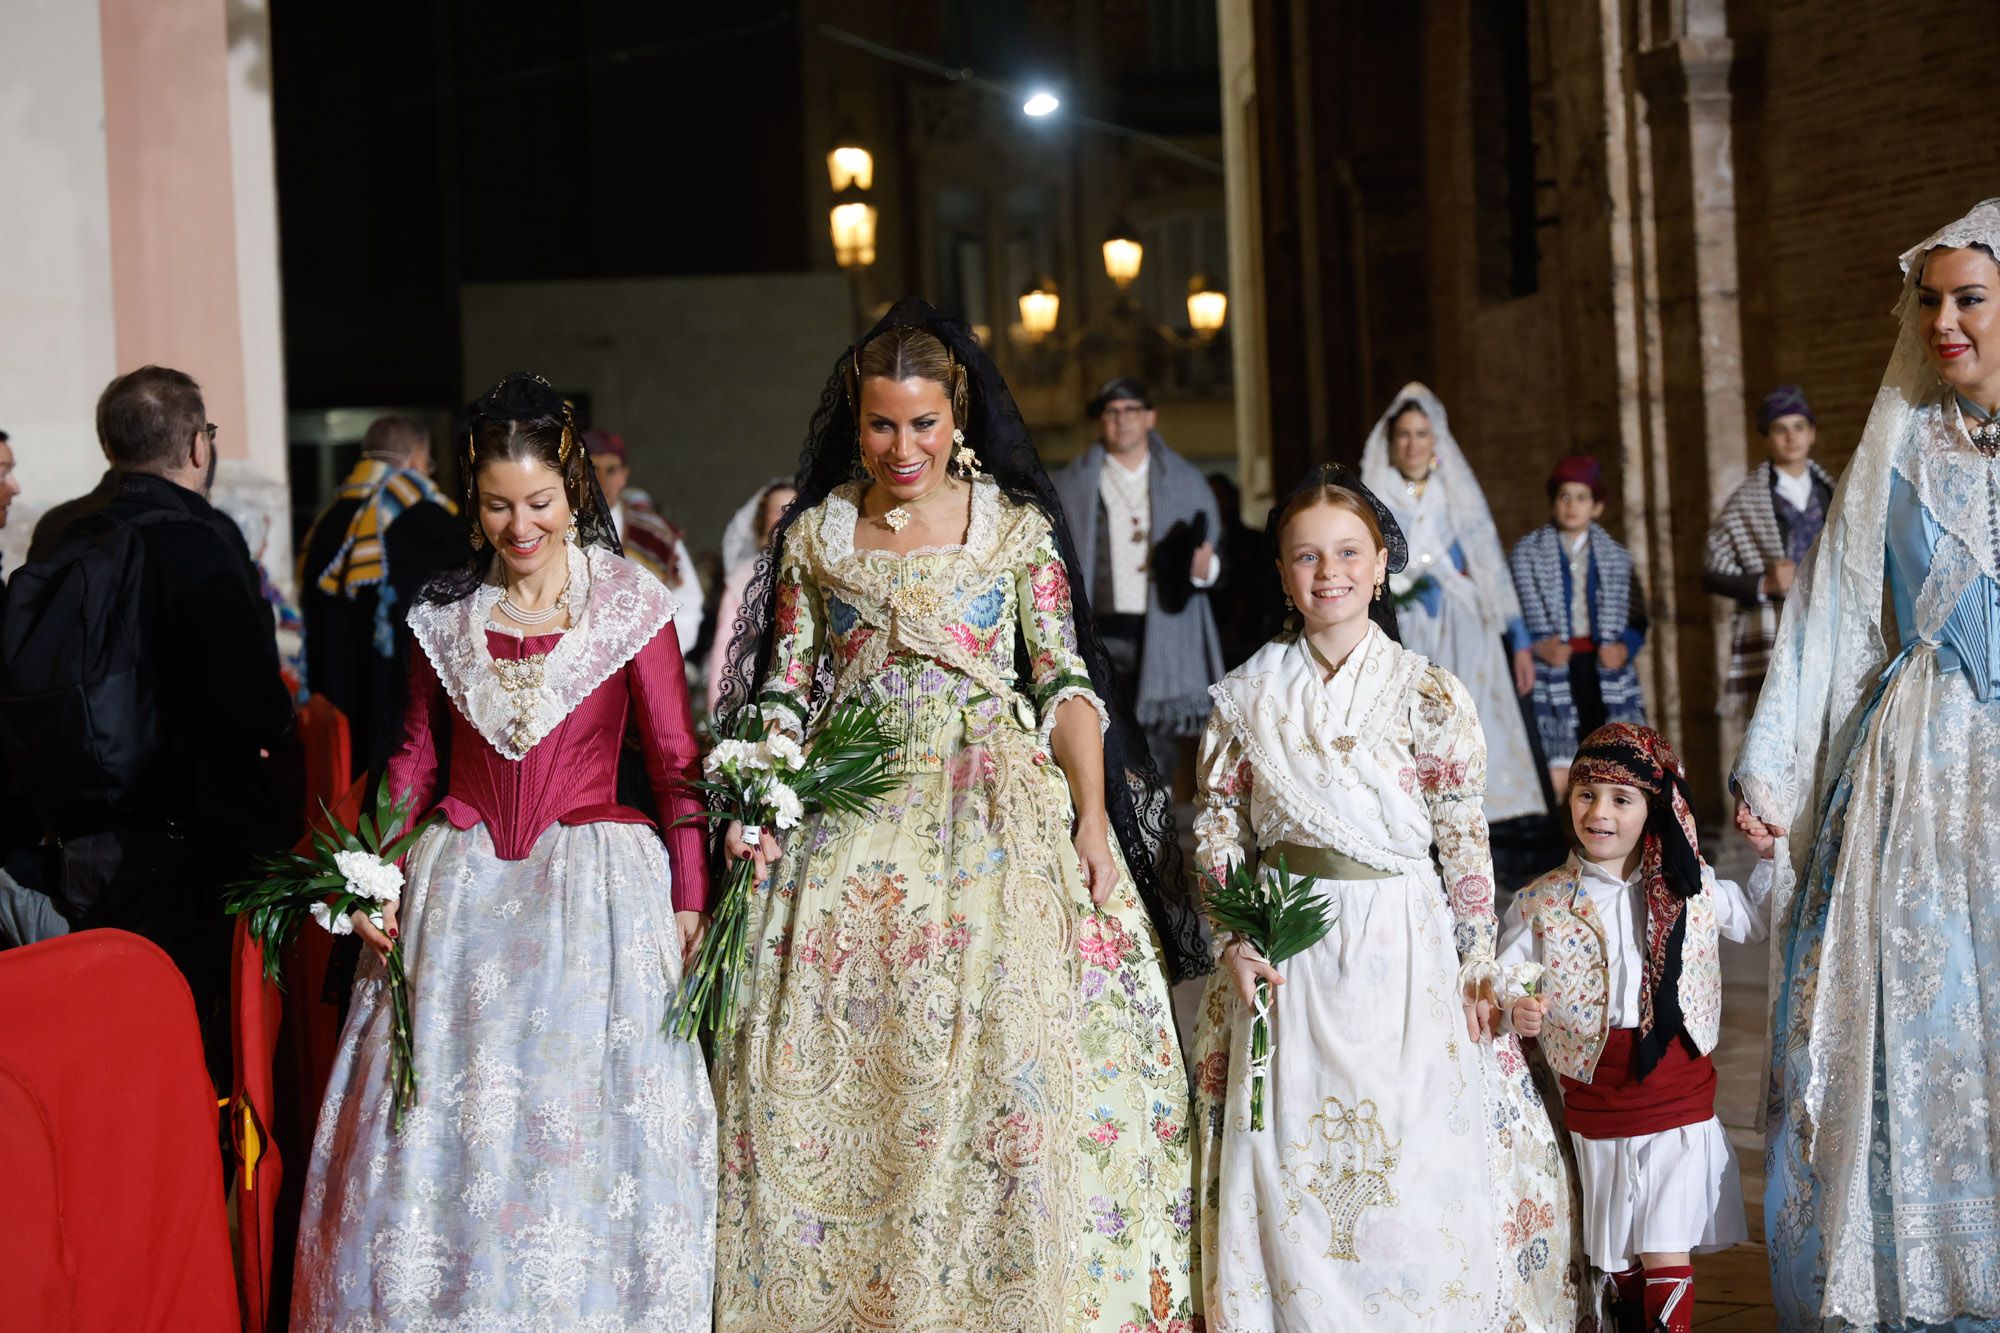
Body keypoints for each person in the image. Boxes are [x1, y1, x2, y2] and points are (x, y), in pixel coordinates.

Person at [709, 300, 1207, 1331]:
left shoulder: (1013, 530)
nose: (905, 448)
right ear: (856, 420)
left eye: (924, 423)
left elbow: (1063, 678)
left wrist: (1090, 817)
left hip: (990, 798)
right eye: (883, 424)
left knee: (1008, 1035)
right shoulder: (816, 535)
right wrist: (761, 795)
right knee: (842, 1046)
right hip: (848, 804)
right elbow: (784, 690)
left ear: (958, 416)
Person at [291, 374, 716, 1328]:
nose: (520, 525)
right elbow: (413, 759)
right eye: (496, 505)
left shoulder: (628, 603)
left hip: (593, 899)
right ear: (471, 502)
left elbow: (675, 760)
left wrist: (690, 896)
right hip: (461, 899)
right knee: (449, 1122)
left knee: (574, 1122)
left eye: (538, 502)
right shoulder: (444, 611)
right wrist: (375, 871)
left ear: (572, 490)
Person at [1188, 463, 1580, 1331]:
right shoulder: (1248, 696)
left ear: (1379, 567)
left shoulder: (1428, 693)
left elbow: (1463, 838)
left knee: (1408, 1147)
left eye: (1347, 553)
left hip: (1404, 948)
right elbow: (1217, 828)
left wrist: (1477, 958)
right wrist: (1235, 939)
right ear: (1282, 573)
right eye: (1307, 556)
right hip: (1288, 956)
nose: (1328, 572)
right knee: (1295, 1157)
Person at [1736, 199, 2000, 1330]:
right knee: (1924, 1015)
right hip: (1921, 774)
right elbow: (1834, 612)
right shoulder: (1900, 442)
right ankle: (1934, 1276)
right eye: (1929, 300)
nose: (1943, 321)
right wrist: (1771, 768)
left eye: (1969, 298)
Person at [7, 366, 298, 1078]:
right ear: (198, 445)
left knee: (96, 1043)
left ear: (110, 444)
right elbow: (251, 704)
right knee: (188, 1046)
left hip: (71, 839)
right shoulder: (203, 537)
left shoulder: (59, 530)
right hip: (183, 843)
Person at [1499, 723, 1773, 1333]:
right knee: (1619, 1249)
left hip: (1676, 1090)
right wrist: (1514, 1009)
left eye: (1621, 799)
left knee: (1664, 1244)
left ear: (1654, 808)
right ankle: (1626, 1310)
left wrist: (1770, 858)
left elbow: (1755, 923)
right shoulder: (1541, 902)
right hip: (1598, 1098)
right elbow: (1506, 977)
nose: (1599, 812)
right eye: (1586, 794)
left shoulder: (1689, 884)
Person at [1362, 383, 1547, 823]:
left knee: (1467, 711)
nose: (1413, 444)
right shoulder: (1376, 492)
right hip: (1404, 623)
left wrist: (1518, 637)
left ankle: (1475, 806)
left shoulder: (1452, 490)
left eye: (1421, 434)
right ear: (1391, 441)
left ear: (1435, 440)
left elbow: (1487, 560)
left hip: (1463, 621)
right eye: (1404, 434)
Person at [1052, 375, 1225, 774]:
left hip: (1162, 620)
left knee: (1155, 735)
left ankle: (1159, 802)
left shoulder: (1184, 480)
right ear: (1100, 421)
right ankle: (1116, 804)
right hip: (1098, 623)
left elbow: (1217, 555)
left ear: (1150, 418)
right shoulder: (1074, 484)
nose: (1122, 419)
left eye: (1131, 410)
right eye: (1112, 412)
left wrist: (1206, 569)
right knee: (1103, 723)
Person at [298, 415, 463, 777]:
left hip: (334, 707)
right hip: (394, 714)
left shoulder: (329, 518)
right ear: (416, 460)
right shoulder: (424, 517)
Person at [1510, 456, 1649, 792]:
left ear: (1596, 507)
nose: (1572, 506)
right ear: (1553, 502)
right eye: (1564, 496)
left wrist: (1623, 648)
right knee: (1557, 768)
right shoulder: (1526, 555)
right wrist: (1538, 646)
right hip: (1553, 669)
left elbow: (1638, 618)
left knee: (1609, 757)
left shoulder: (1617, 559)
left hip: (1603, 670)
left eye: (1582, 498)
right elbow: (1511, 614)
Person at [1704, 387, 1836, 719]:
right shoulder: (1747, 500)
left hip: (1828, 619)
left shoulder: (1832, 493)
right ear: (1767, 437)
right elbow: (1711, 570)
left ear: (1812, 433)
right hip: (1774, 626)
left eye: (1799, 427)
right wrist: (1764, 583)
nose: (1791, 437)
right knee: (1779, 720)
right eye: (1780, 429)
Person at [587, 428, 704, 652]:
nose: (601, 480)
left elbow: (687, 602)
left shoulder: (655, 533)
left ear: (624, 476)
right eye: (592, 469)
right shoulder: (555, 528)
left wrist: (657, 653)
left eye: (611, 470)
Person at [703, 476, 795, 715]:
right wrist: (717, 705)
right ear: (763, 518)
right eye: (778, 510)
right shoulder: (745, 576)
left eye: (792, 509)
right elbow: (727, 642)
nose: (785, 517)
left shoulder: (814, 571)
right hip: (753, 685)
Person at [1205, 471, 1277, 669]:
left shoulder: (1253, 540)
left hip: (1247, 633)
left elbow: (1260, 583)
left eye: (1220, 495)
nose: (1216, 503)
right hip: (1210, 627)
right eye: (1210, 496)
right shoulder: (1196, 544)